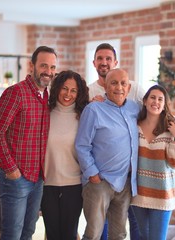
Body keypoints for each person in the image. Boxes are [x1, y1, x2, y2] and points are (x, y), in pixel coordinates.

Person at [0, 46, 57, 239]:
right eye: (44, 65)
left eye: (52, 67)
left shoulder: (46, 97)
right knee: (12, 233)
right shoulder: (16, 93)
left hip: (38, 178)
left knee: (28, 231)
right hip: (16, 178)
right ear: (31, 65)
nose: (49, 72)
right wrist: (12, 170)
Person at [75, 68, 139, 240]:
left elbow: (157, 112)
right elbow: (81, 145)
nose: (119, 87)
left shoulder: (134, 108)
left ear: (129, 88)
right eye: (114, 83)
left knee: (119, 234)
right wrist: (93, 174)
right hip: (100, 183)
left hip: (125, 183)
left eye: (123, 83)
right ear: (105, 86)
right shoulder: (94, 110)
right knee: (93, 233)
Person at [88, 42, 143, 240]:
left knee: (125, 228)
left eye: (108, 59)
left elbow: (157, 105)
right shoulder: (90, 94)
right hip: (102, 177)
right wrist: (91, 173)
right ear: (94, 63)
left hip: (129, 177)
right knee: (97, 230)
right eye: (100, 59)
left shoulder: (133, 90)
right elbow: (83, 139)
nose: (104, 62)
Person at [131, 85, 175, 240]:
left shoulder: (171, 128)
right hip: (138, 195)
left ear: (164, 105)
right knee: (143, 236)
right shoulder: (134, 126)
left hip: (163, 195)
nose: (156, 102)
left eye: (160, 99)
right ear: (144, 101)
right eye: (152, 98)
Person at [41, 70, 89, 240]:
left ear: (79, 93)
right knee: (52, 234)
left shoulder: (84, 116)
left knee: (69, 234)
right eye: (64, 88)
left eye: (73, 90)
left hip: (74, 185)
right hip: (47, 185)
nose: (68, 94)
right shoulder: (44, 113)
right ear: (57, 88)